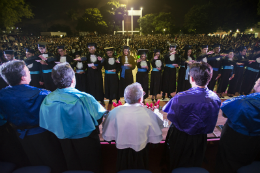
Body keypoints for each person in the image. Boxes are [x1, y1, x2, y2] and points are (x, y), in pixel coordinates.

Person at [0, 60, 66, 173]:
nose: (30, 73)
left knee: (32, 164)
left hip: (17, 137)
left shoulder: (2, 94)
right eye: (28, 71)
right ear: (23, 77)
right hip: (43, 136)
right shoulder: (42, 94)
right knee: (54, 163)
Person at [40, 62, 107, 173]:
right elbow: (99, 116)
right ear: (72, 80)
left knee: (72, 165)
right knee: (91, 166)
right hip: (86, 141)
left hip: (63, 141)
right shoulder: (84, 97)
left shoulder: (48, 98)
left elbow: (47, 121)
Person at [162, 62, 221, 171]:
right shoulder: (215, 98)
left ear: (192, 78)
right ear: (210, 78)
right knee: (195, 160)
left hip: (181, 136)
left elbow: (171, 116)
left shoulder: (180, 97)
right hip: (200, 137)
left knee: (177, 161)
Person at [102, 82, 163, 172]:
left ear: (126, 97)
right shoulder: (148, 113)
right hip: (141, 151)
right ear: (140, 99)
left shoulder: (116, 111)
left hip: (122, 151)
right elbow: (158, 129)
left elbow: (107, 132)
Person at [215, 78, 260, 173]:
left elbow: (225, 112)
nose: (255, 82)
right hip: (256, 141)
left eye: (256, 81)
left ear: (258, 85)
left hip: (235, 139)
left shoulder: (243, 101)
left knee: (226, 163)